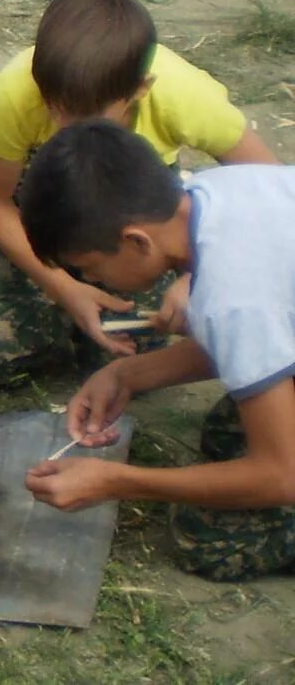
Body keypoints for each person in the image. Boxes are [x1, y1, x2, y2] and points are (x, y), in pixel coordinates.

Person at [0, 0, 274, 386]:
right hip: (44, 208)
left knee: (126, 358)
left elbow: (265, 187)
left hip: (132, 209)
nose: (69, 130)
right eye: (57, 112)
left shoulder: (185, 96)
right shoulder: (14, 94)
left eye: (91, 119)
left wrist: (198, 279)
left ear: (140, 90)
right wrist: (61, 286)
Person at [20, 122, 295, 581]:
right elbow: (266, 327)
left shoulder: (233, 299)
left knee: (207, 538)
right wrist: (129, 374)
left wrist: (120, 482)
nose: (93, 284)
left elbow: (282, 474)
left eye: (90, 269)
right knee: (228, 439)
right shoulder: (212, 191)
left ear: (135, 241)